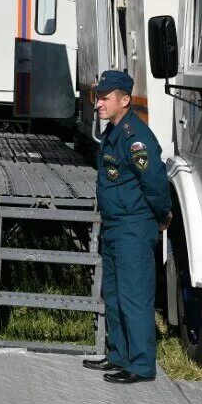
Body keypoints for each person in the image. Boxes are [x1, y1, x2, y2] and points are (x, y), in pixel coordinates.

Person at [82, 70, 172, 384]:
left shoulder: (136, 138)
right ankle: (120, 355)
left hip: (134, 225)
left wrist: (162, 216)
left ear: (124, 99)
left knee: (135, 296)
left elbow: (156, 183)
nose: (98, 105)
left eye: (105, 98)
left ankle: (141, 364)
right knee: (115, 294)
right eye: (98, 98)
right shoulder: (113, 132)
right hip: (115, 225)